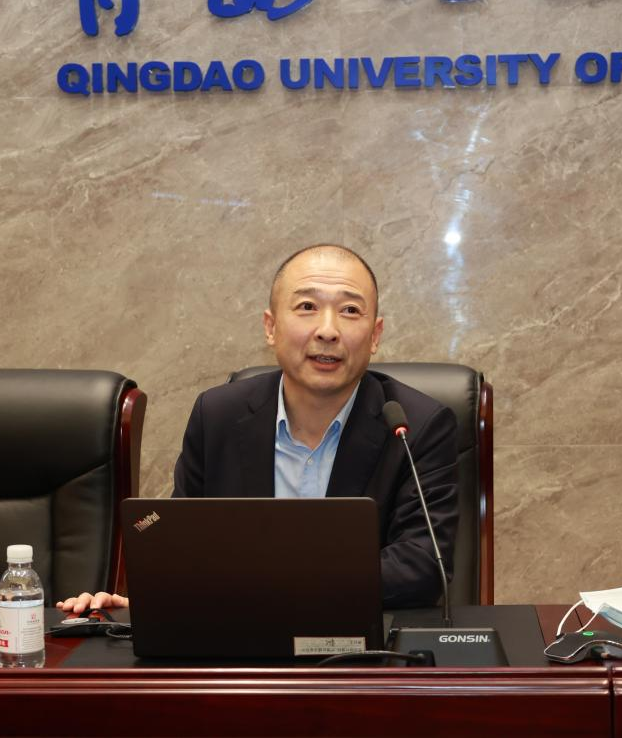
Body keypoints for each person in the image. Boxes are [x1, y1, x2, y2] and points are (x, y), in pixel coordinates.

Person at [58, 244, 459, 612]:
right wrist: (140, 605)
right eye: (307, 306)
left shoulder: (416, 425)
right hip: (237, 649)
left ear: (375, 336)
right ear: (270, 327)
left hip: (360, 645)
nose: (328, 330)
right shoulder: (218, 415)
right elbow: (184, 546)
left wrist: (274, 584)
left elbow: (422, 563)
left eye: (350, 311)